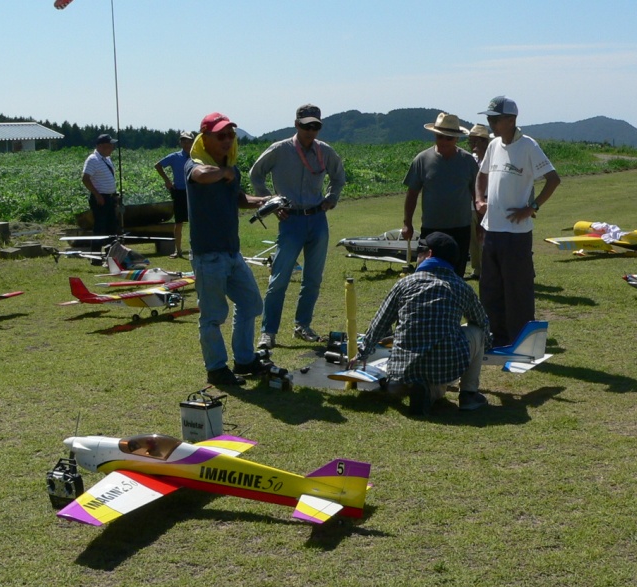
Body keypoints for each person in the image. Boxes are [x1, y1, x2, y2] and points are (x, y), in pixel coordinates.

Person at [351, 232, 492, 415]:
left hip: (402, 367)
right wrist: (487, 344)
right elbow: (482, 322)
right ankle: (468, 395)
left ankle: (399, 386)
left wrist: (362, 354)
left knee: (404, 377)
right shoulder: (462, 287)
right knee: (477, 331)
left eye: (419, 250)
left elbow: (380, 323)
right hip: (443, 366)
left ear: (429, 254)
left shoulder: (404, 284)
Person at [249, 104, 346, 350]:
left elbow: (338, 176)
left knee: (313, 278)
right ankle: (268, 332)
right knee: (279, 279)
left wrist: (332, 197)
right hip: (290, 221)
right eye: (306, 126)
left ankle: (302, 325)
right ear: (296, 125)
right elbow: (255, 174)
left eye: (315, 126)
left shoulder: (325, 151)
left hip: (317, 219)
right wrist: (271, 202)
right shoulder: (280, 150)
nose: (311, 131)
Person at [184, 113, 271, 386]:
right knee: (212, 316)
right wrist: (224, 173)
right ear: (205, 138)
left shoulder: (230, 168)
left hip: (233, 252)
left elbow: (238, 198)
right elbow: (201, 176)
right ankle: (216, 369)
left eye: (231, 135)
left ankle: (244, 360)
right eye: (220, 135)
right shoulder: (194, 165)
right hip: (208, 255)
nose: (227, 140)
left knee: (251, 303)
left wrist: (265, 201)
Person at [475, 96, 561, 347]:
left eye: (495, 119)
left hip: (516, 234)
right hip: (491, 229)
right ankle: (496, 338)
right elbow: (481, 175)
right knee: (490, 289)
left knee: (517, 290)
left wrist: (532, 207)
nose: (491, 124)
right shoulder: (493, 145)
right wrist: (479, 200)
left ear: (511, 120)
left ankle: (522, 342)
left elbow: (553, 179)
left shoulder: (528, 146)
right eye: (489, 119)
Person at [402, 113, 478, 278]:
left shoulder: (468, 161)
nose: (443, 141)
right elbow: (412, 193)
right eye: (439, 136)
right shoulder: (422, 160)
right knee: (425, 274)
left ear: (456, 139)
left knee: (456, 275)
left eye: (448, 138)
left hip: (460, 229)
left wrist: (480, 224)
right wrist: (407, 223)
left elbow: (477, 195)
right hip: (431, 229)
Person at [154, 131, 194, 258]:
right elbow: (158, 165)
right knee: (179, 222)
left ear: (193, 142)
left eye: (189, 141)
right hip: (179, 192)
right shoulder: (175, 156)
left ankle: (196, 248)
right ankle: (178, 250)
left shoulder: (197, 156)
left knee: (195, 221)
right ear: (180, 143)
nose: (186, 144)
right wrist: (167, 181)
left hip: (194, 192)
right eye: (184, 141)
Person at [82, 134, 119, 236]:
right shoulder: (93, 159)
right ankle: (97, 246)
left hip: (110, 198)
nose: (112, 148)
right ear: (100, 146)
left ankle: (111, 246)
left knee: (111, 226)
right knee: (100, 226)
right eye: (109, 146)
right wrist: (97, 195)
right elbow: (85, 179)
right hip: (100, 198)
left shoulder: (107, 159)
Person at [467, 123, 491, 279]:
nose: (472, 144)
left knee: (486, 237)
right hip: (471, 203)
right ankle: (476, 269)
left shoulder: (492, 158)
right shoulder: (472, 159)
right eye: (471, 141)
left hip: (487, 202)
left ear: (484, 142)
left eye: (476, 141)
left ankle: (488, 268)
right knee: (473, 238)